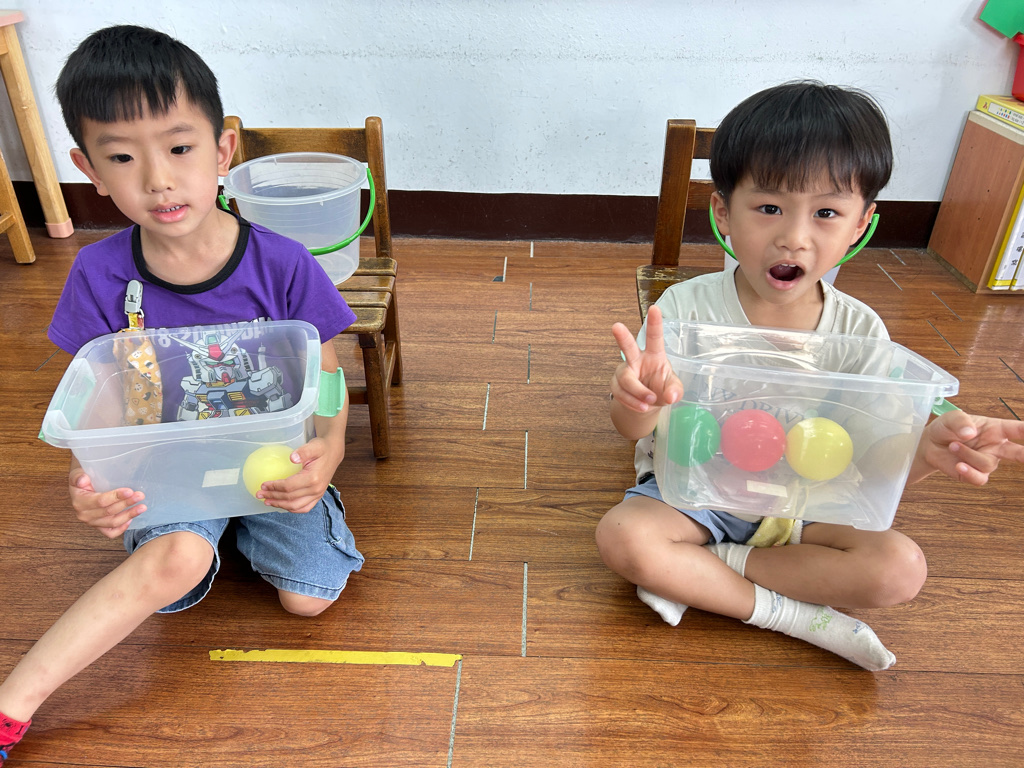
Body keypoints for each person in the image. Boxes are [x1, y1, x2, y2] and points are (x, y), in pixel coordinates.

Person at [0, 25, 365, 762]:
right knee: (177, 566)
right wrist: (89, 483)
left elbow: (327, 379)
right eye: (123, 158)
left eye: (179, 148)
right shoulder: (99, 276)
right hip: (167, 468)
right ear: (88, 170)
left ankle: (237, 531)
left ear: (223, 150)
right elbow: (100, 405)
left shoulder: (284, 264)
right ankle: (12, 706)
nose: (158, 180)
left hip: (272, 461)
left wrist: (326, 453)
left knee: (309, 598)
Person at [596, 81, 1024, 672]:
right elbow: (630, 428)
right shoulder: (686, 310)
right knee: (624, 537)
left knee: (900, 570)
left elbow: (872, 461)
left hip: (808, 502)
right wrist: (637, 399)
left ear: (860, 224)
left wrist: (927, 450)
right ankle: (795, 617)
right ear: (723, 212)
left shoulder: (860, 331)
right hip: (695, 493)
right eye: (769, 208)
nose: (794, 237)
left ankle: (709, 573)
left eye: (826, 213)